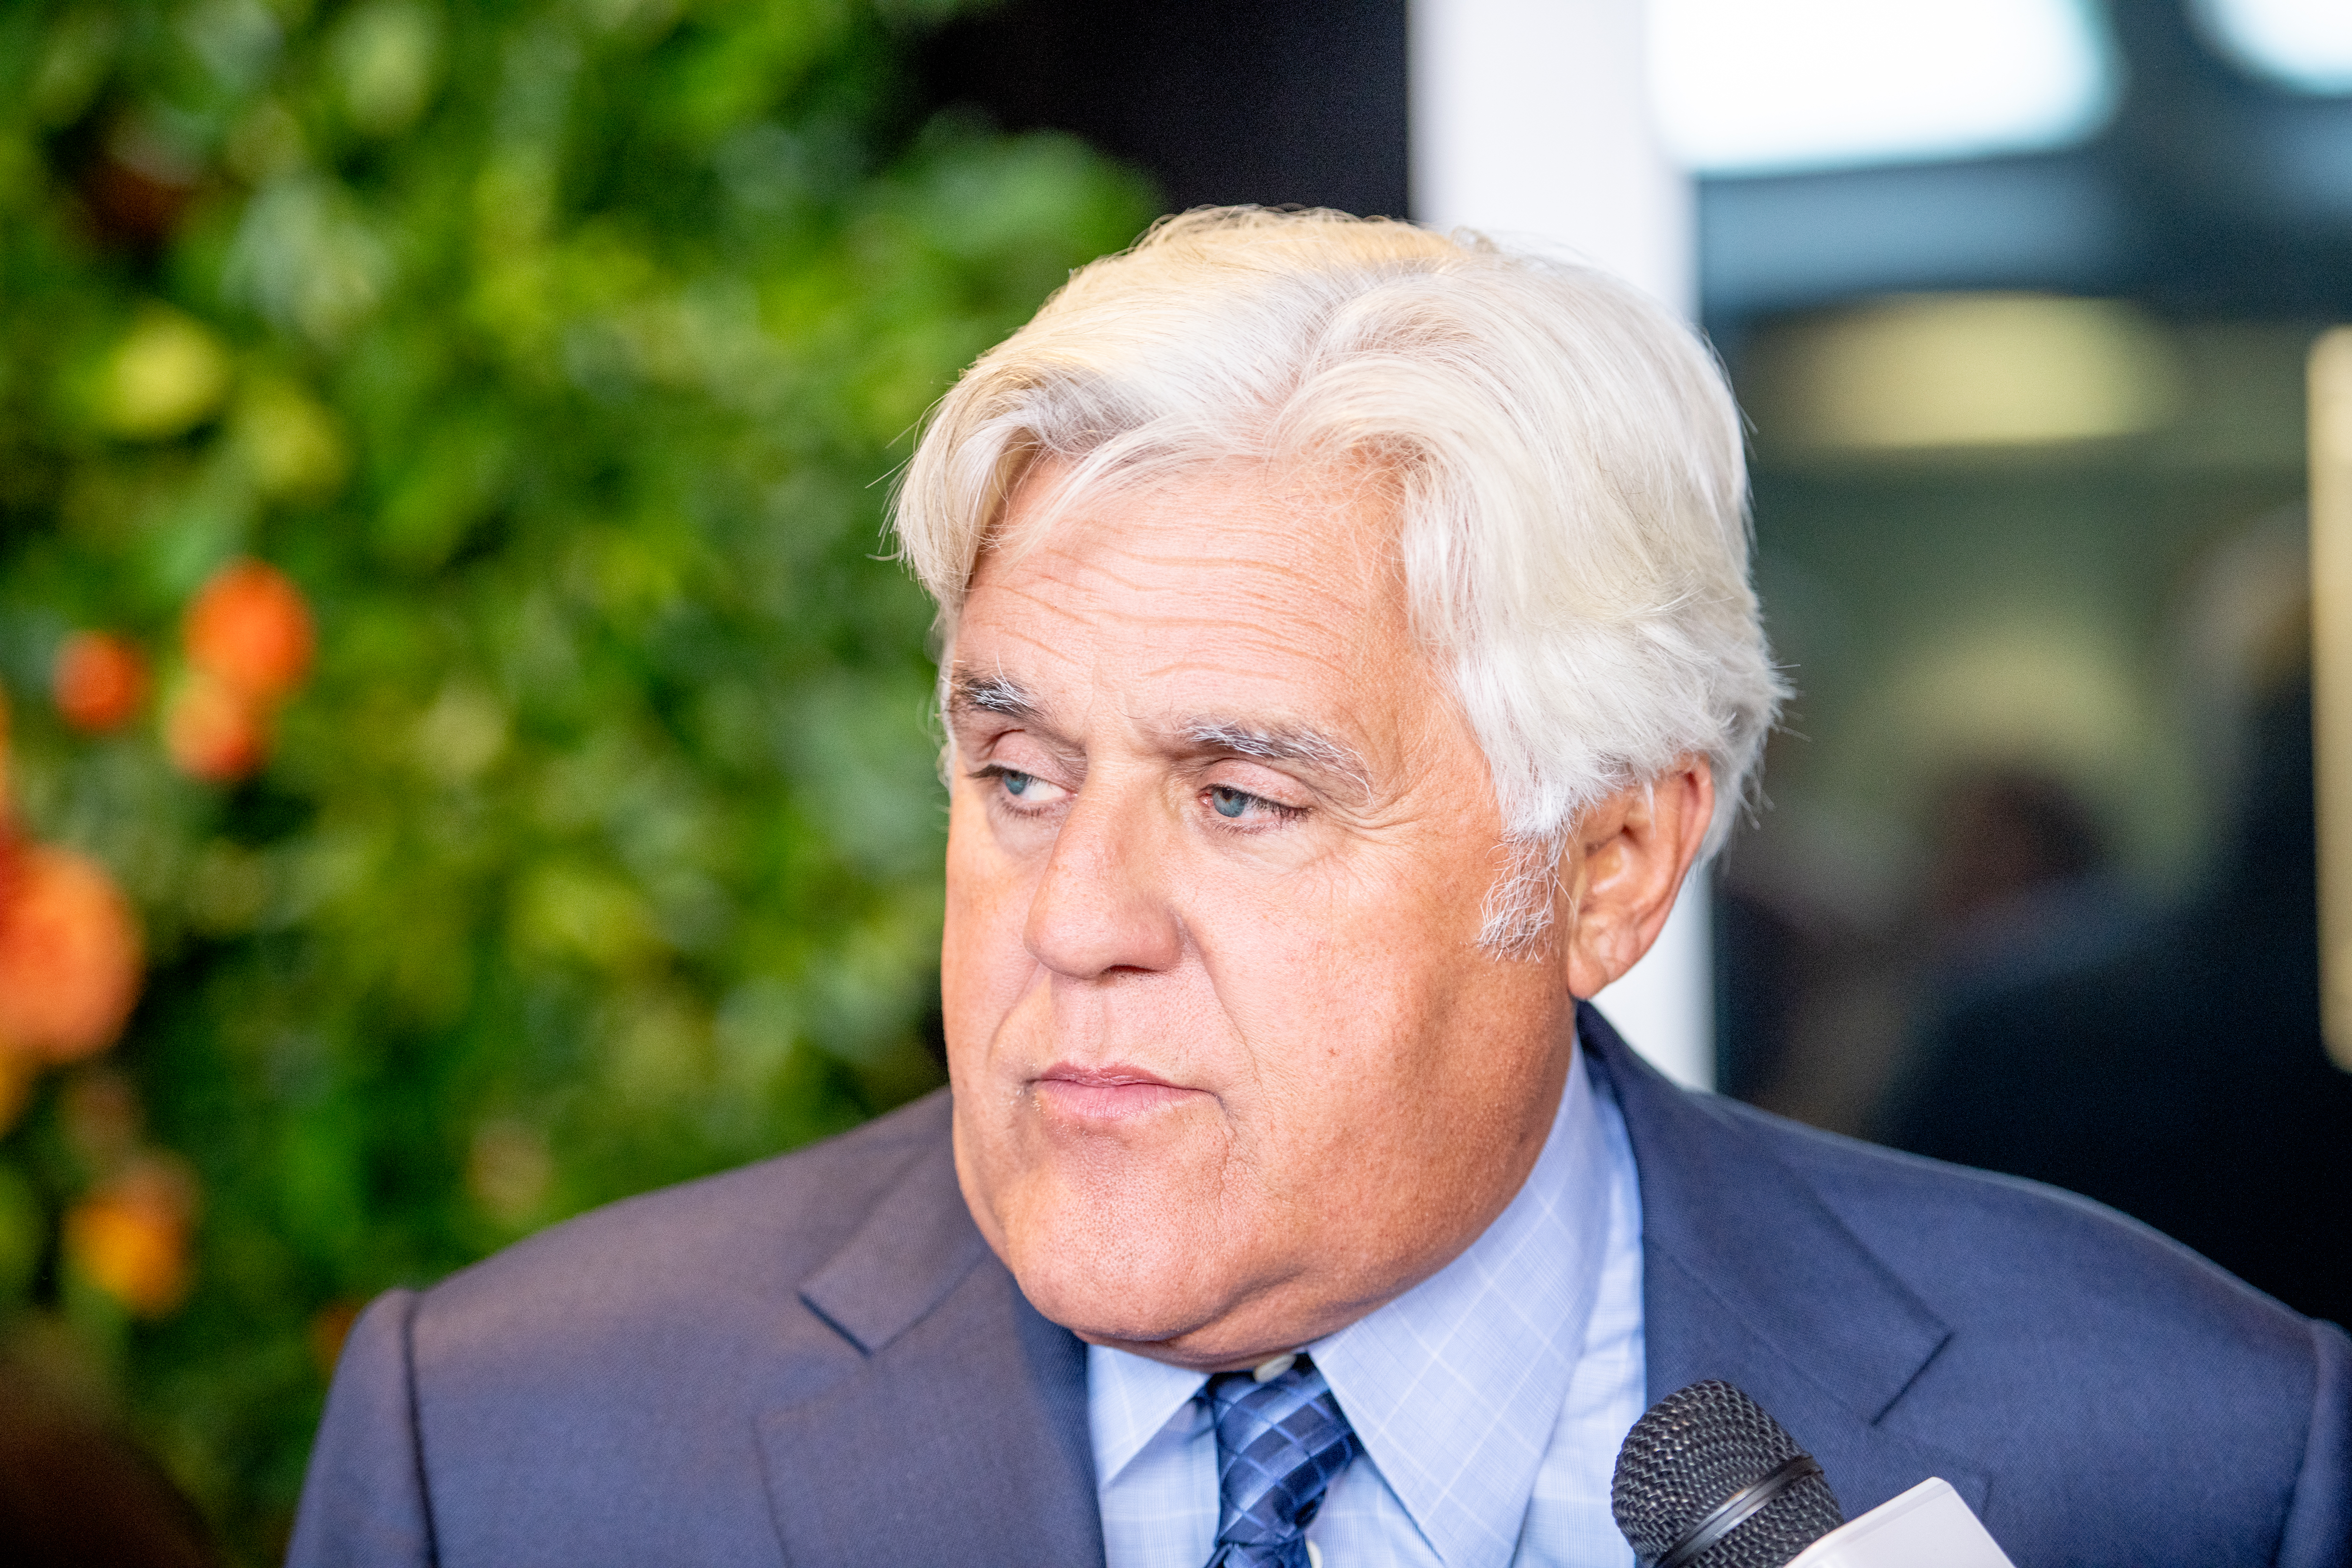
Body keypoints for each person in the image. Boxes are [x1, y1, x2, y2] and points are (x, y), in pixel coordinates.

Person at [288, 210, 2349, 1568]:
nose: (1073, 917)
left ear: (1610, 866)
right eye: (1016, 774)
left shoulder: (2173, 1455)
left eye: (1239, 796)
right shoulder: (518, 1449)